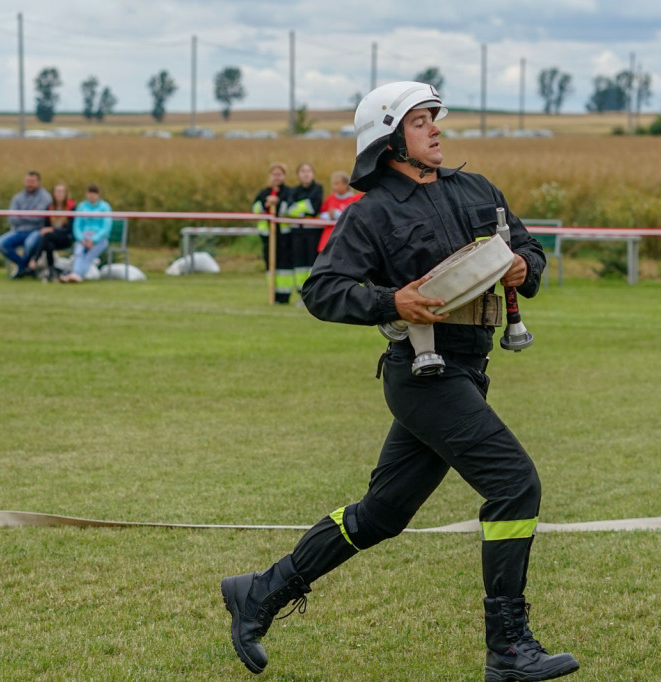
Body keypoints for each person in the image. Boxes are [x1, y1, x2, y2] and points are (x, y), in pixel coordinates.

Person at [221, 82, 579, 682]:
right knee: (514, 484)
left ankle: (259, 592)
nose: (436, 128)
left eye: (434, 118)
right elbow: (322, 290)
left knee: (382, 515)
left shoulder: (478, 189)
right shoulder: (371, 213)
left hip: (468, 372)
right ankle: (508, 649)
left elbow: (527, 246)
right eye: (420, 121)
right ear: (389, 140)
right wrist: (392, 301)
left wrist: (525, 265)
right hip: (421, 375)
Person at [0, 171, 53, 279]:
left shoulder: (45, 197)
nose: (29, 184)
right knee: (0, 243)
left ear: (39, 182)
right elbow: (12, 218)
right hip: (19, 231)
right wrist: (31, 214)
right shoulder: (18, 197)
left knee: (29, 243)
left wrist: (21, 215)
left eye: (32, 181)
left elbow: (39, 218)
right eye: (27, 181)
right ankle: (25, 267)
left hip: (37, 231)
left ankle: (23, 269)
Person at [252, 162, 294, 304]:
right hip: (268, 236)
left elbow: (290, 208)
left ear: (284, 176)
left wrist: (278, 202)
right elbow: (255, 208)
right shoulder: (264, 193)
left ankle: (284, 295)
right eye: (274, 174)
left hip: (284, 237)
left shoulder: (288, 192)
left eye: (280, 174)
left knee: (284, 267)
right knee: (270, 265)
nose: (277, 177)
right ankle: (272, 293)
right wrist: (266, 204)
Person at [285, 162, 323, 300]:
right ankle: (302, 293)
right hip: (297, 232)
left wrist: (298, 207)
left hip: (313, 232)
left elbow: (314, 207)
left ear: (312, 174)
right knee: (299, 263)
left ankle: (313, 292)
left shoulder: (318, 189)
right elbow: (289, 209)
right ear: (298, 175)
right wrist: (304, 206)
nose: (306, 174)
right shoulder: (293, 191)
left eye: (308, 171)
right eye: (302, 171)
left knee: (312, 262)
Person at [60, 184, 110, 283]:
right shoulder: (82, 206)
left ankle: (76, 274)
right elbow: (77, 225)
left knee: (89, 255)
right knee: (79, 252)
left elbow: (106, 227)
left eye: (94, 193)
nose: (91, 196)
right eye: (90, 193)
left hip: (99, 239)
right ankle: (75, 275)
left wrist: (94, 240)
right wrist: (81, 239)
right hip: (83, 238)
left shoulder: (105, 207)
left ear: (98, 195)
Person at [28, 182, 76, 282]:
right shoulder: (50, 207)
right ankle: (52, 271)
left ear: (65, 193)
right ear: (53, 194)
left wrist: (52, 230)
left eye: (61, 192)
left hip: (66, 238)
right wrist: (49, 230)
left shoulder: (71, 207)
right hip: (52, 239)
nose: (59, 194)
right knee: (49, 244)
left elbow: (69, 229)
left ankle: (35, 260)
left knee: (47, 236)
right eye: (57, 192)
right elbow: (46, 225)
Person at [316, 170, 361, 252]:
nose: (334, 187)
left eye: (336, 184)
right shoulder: (330, 198)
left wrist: (338, 214)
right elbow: (321, 213)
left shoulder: (353, 199)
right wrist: (328, 215)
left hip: (345, 234)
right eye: (333, 184)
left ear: (345, 184)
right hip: (329, 234)